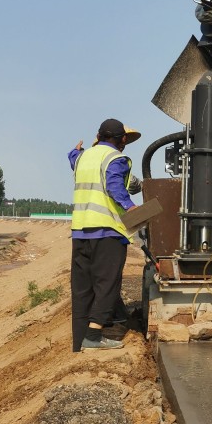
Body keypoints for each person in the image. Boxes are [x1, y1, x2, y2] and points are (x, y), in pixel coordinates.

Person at [68, 118, 141, 351]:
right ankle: (93, 337)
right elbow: (114, 186)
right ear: (121, 140)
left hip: (80, 232)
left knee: (82, 289)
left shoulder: (82, 158)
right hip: (107, 233)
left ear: (98, 136)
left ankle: (79, 342)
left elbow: (72, 158)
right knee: (107, 286)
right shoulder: (116, 159)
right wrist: (131, 207)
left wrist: (74, 150)